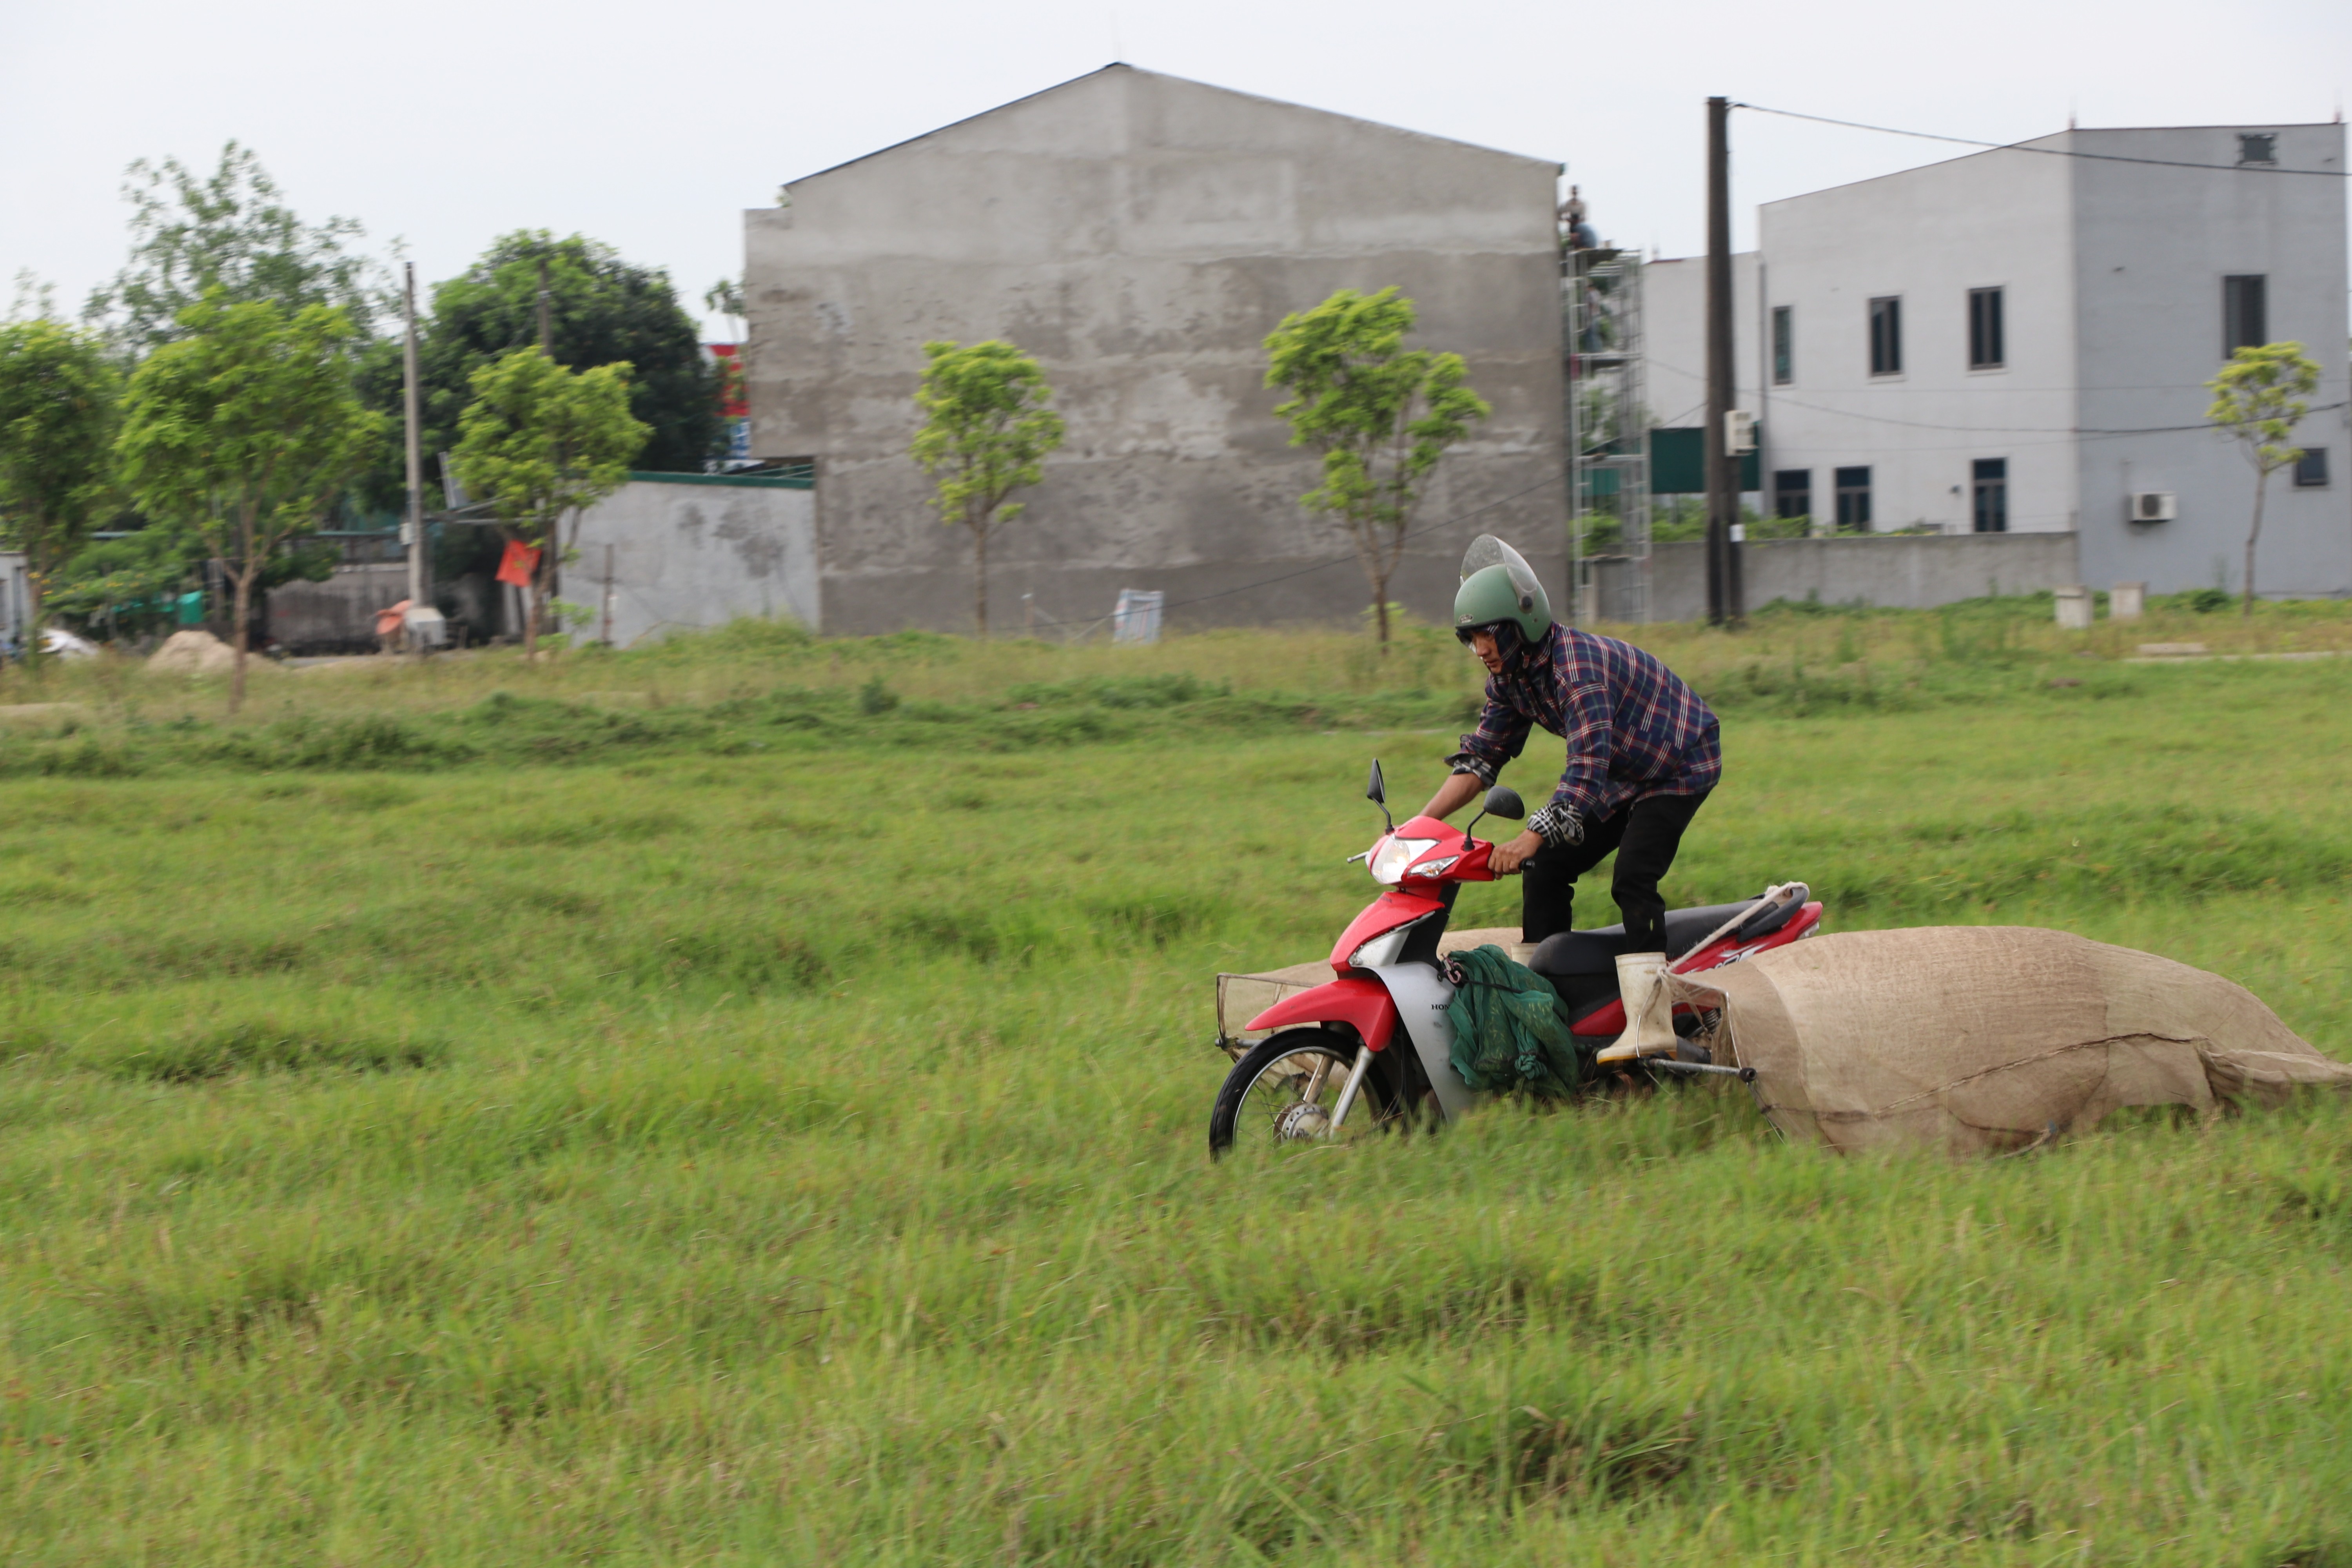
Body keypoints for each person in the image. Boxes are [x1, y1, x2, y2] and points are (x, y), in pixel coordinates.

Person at [1414, 536, 1720, 952]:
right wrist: (1419, 827)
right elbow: (1482, 759)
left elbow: (1586, 768)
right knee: (1544, 867)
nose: (1480, 649)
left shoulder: (1576, 671)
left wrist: (1529, 836)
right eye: (1471, 637)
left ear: (1522, 623)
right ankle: (1544, 999)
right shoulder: (1510, 678)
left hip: (1677, 762)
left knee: (1632, 876)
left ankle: (1652, 1001)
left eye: (1488, 634)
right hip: (1620, 771)